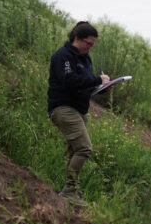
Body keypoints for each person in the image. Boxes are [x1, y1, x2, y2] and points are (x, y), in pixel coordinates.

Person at [47, 21, 110, 206]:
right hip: (63, 107)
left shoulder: (85, 58)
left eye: (92, 45)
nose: (89, 48)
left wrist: (102, 87)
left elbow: (84, 83)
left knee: (75, 150)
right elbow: (69, 80)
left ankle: (72, 194)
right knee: (84, 148)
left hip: (80, 110)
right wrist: (97, 78)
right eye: (87, 43)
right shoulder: (62, 56)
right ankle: (69, 191)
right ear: (77, 38)